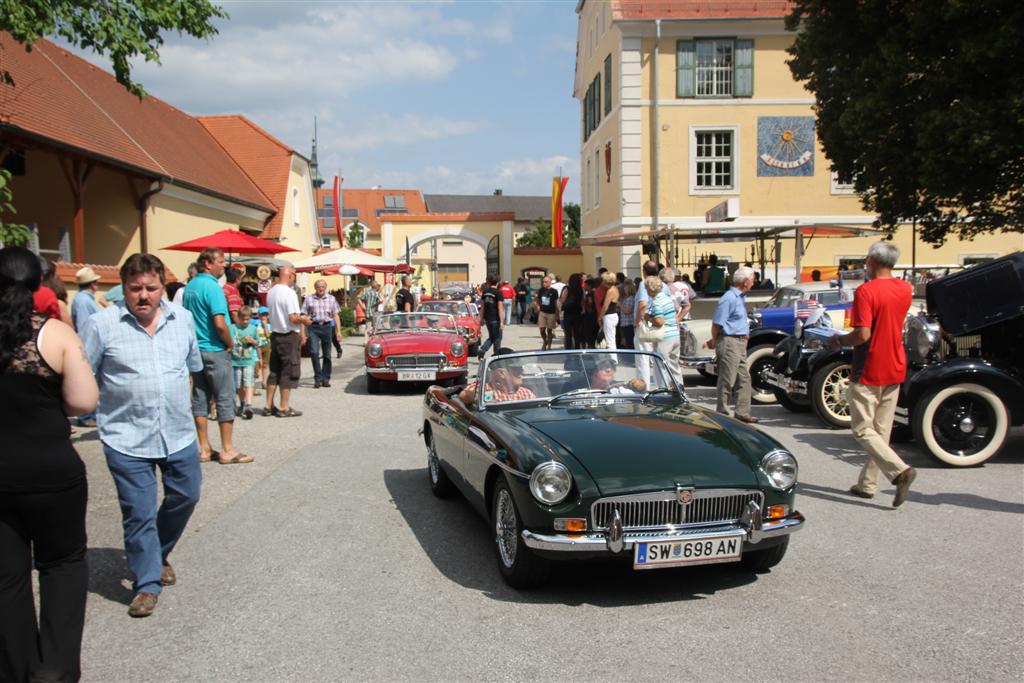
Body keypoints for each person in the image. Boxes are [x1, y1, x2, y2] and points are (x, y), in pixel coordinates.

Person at [80, 253, 204, 620]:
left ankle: (157, 551)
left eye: (151, 288)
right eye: (135, 289)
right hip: (125, 435)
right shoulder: (101, 325)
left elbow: (192, 366)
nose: (143, 296)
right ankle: (147, 583)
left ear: (162, 287)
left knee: (186, 495)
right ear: (123, 288)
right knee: (138, 512)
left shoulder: (182, 319)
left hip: (177, 432)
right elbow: (84, 373)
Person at [0, 247, 98, 681]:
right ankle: (54, 670)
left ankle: (16, 670)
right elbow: (82, 402)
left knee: (6, 577)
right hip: (51, 472)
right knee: (61, 567)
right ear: (39, 284)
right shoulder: (54, 334)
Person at [829, 241, 917, 507]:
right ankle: (868, 484)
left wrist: (839, 341)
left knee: (862, 429)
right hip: (895, 364)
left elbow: (862, 334)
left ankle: (900, 471)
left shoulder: (866, 291)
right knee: (881, 431)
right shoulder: (905, 288)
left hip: (869, 365)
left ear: (872, 261)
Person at [183, 247, 252, 464]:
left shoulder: (190, 286)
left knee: (200, 397)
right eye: (220, 262)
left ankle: (204, 448)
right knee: (224, 397)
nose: (224, 266)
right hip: (214, 348)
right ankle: (227, 449)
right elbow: (220, 324)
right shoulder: (213, 288)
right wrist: (230, 343)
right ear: (207, 264)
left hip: (196, 350)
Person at [707, 266, 757, 423]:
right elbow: (717, 323)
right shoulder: (729, 298)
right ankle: (723, 413)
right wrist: (714, 341)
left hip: (740, 342)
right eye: (752, 280)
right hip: (730, 341)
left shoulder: (740, 297)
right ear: (745, 281)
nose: (753, 284)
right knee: (727, 379)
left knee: (744, 378)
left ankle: (742, 411)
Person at [264, 266, 311, 418]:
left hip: (276, 334)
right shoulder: (289, 293)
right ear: (290, 276)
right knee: (288, 370)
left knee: (274, 371)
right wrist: (305, 320)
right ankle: (284, 407)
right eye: (294, 276)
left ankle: (268, 405)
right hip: (288, 336)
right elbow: (292, 317)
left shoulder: (271, 291)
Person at [640, 276, 682, 387]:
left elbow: (659, 321)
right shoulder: (667, 298)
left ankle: (664, 390)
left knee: (661, 365)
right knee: (674, 365)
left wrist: (648, 318)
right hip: (675, 334)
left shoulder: (656, 301)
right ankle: (679, 388)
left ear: (650, 289)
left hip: (665, 336)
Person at [302, 279, 342, 389]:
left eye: (323, 287)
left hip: (327, 326)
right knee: (314, 352)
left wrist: (338, 332)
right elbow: (303, 316)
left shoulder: (331, 299)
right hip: (313, 327)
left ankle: (326, 378)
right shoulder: (309, 299)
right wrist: (303, 333)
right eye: (319, 287)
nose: (321, 288)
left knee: (327, 354)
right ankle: (318, 377)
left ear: (325, 287)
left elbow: (336, 316)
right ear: (315, 288)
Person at [458, 348, 535, 404]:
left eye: (521, 368)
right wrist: (485, 398)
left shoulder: (526, 393)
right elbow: (464, 395)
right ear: (501, 373)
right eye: (517, 369)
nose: (522, 372)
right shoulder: (485, 389)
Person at [231, 305, 260, 419]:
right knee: (238, 385)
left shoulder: (252, 328)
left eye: (247, 319)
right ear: (238, 317)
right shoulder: (233, 328)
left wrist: (252, 341)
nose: (245, 321)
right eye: (243, 319)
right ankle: (242, 403)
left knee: (248, 383)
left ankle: (248, 405)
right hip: (235, 361)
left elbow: (258, 343)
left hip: (248, 361)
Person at [477, 274, 504, 359]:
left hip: (488, 319)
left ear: (488, 282)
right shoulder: (498, 293)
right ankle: (497, 356)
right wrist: (502, 322)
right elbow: (500, 309)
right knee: (498, 338)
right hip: (496, 319)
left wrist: (481, 319)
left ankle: (483, 350)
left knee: (492, 337)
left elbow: (482, 307)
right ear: (498, 282)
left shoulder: (485, 292)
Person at [559, 273, 584, 350]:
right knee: (577, 334)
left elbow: (562, 301)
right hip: (577, 313)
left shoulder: (567, 289)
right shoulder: (580, 290)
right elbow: (582, 302)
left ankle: (568, 350)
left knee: (568, 334)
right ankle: (577, 349)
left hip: (568, 313)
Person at [597, 271, 620, 350]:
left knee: (609, 341)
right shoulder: (615, 288)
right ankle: (613, 359)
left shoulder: (610, 291)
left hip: (609, 316)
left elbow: (605, 307)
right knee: (611, 339)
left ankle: (613, 360)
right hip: (613, 315)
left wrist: (599, 317)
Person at [536, 275, 560, 350]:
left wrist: (557, 315)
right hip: (542, 312)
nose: (544, 283)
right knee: (542, 329)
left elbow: (556, 303)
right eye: (543, 282)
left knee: (549, 330)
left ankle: (549, 346)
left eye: (546, 282)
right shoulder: (541, 290)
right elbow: (537, 299)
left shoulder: (554, 291)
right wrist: (537, 306)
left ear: (550, 282)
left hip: (551, 313)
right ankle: (545, 341)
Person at [617, 277, 636, 350]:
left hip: (628, 324)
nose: (624, 290)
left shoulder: (630, 299)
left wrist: (620, 305)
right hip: (625, 324)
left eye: (625, 289)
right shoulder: (627, 298)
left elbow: (627, 311)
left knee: (630, 342)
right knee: (628, 342)